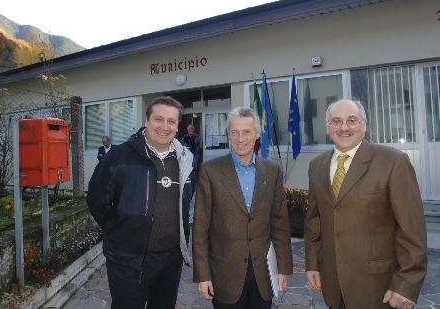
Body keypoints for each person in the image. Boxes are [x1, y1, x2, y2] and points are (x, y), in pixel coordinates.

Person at [305, 99, 427, 309]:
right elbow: (314, 221)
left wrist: (407, 284)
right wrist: (313, 264)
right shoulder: (317, 166)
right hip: (333, 286)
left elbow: (412, 230)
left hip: (378, 289)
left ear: (365, 124)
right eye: (336, 121)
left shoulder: (393, 162)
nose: (344, 127)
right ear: (327, 127)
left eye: (352, 120)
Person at [86, 96, 194, 309]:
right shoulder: (119, 156)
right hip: (129, 261)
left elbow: (186, 202)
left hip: (170, 260)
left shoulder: (185, 158)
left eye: (171, 121)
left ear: (177, 125)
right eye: (158, 119)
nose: (165, 126)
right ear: (147, 121)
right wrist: (120, 231)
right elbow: (96, 200)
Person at [192, 106, 293, 309]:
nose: (240, 138)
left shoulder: (272, 171)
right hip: (224, 275)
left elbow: (279, 223)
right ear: (228, 134)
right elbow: (200, 228)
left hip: (262, 274)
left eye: (246, 132)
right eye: (234, 132)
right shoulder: (210, 171)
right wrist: (203, 275)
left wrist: (283, 268)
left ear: (257, 134)